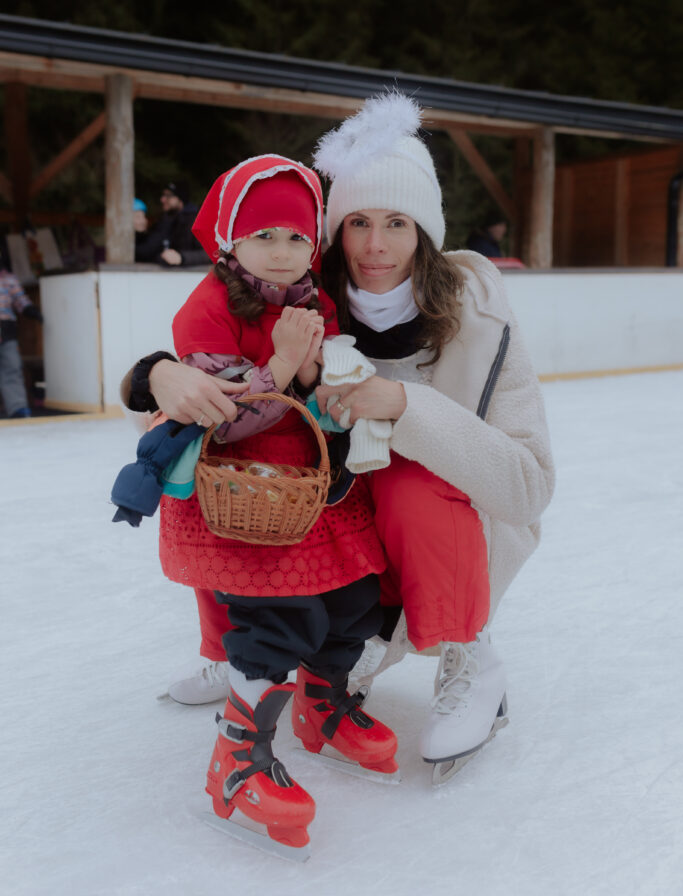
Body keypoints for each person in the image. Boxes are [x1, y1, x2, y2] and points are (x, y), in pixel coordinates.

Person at [127, 93, 554, 785]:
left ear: (425, 230)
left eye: (396, 223)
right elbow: (212, 363)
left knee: (408, 480)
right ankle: (234, 651)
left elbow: (529, 487)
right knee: (223, 483)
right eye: (357, 222)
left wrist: (406, 407)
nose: (375, 246)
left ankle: (469, 653)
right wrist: (155, 374)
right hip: (326, 515)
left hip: (446, 531)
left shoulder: (480, 318)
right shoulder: (299, 287)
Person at [127, 154, 398, 854]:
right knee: (282, 616)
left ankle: (321, 704)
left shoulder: (316, 302)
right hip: (243, 487)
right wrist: (280, 365)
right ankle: (236, 758)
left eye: (297, 237)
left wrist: (317, 374)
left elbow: (325, 396)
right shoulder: (207, 307)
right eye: (264, 236)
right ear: (230, 240)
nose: (282, 252)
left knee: (354, 599)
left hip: (312, 484)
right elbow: (221, 421)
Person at [0, 261, 43, 417]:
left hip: (6, 328)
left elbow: (20, 300)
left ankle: (17, 407)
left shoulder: (8, 279)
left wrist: (31, 310)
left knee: (12, 366)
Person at [153, 181, 208, 267]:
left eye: (168, 196)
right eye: (163, 195)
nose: (162, 199)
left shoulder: (196, 220)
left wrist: (182, 257)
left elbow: (209, 253)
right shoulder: (167, 218)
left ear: (180, 198)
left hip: (191, 273)